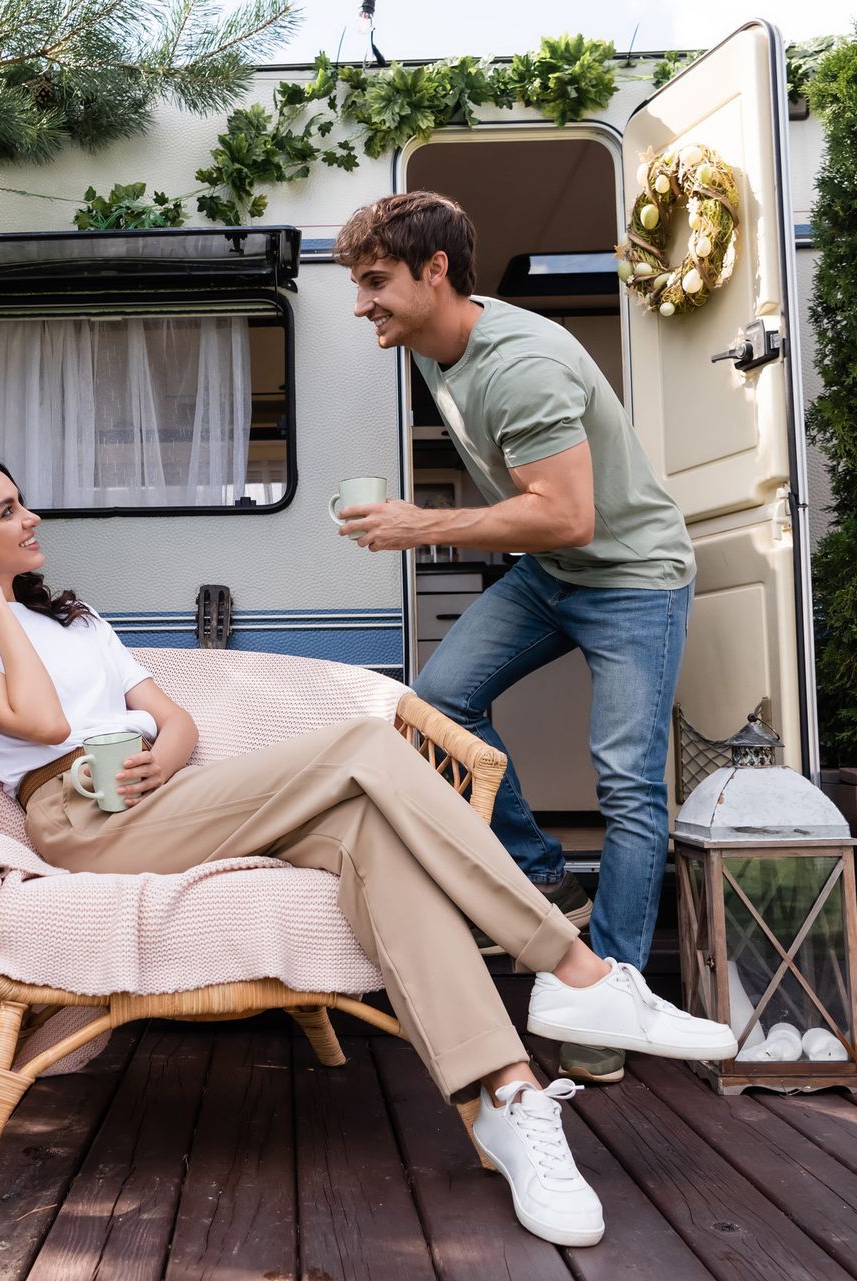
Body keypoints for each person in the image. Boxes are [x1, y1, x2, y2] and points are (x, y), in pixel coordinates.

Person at [0, 456, 736, 1248]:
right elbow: (43, 725)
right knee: (364, 747)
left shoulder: (76, 617)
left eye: (23, 502)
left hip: (156, 795)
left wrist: (159, 756)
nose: (31, 520)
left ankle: (508, 1095)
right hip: (79, 819)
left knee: (369, 836)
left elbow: (174, 717)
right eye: (7, 509)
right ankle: (576, 969)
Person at [333, 192, 698, 1086]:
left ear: (436, 271)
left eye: (376, 282)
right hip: (555, 576)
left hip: (632, 579)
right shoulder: (428, 346)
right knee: (435, 705)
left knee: (626, 780)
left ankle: (609, 991)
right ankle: (545, 877)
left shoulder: (521, 363)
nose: (360, 304)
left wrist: (423, 526)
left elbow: (569, 516)